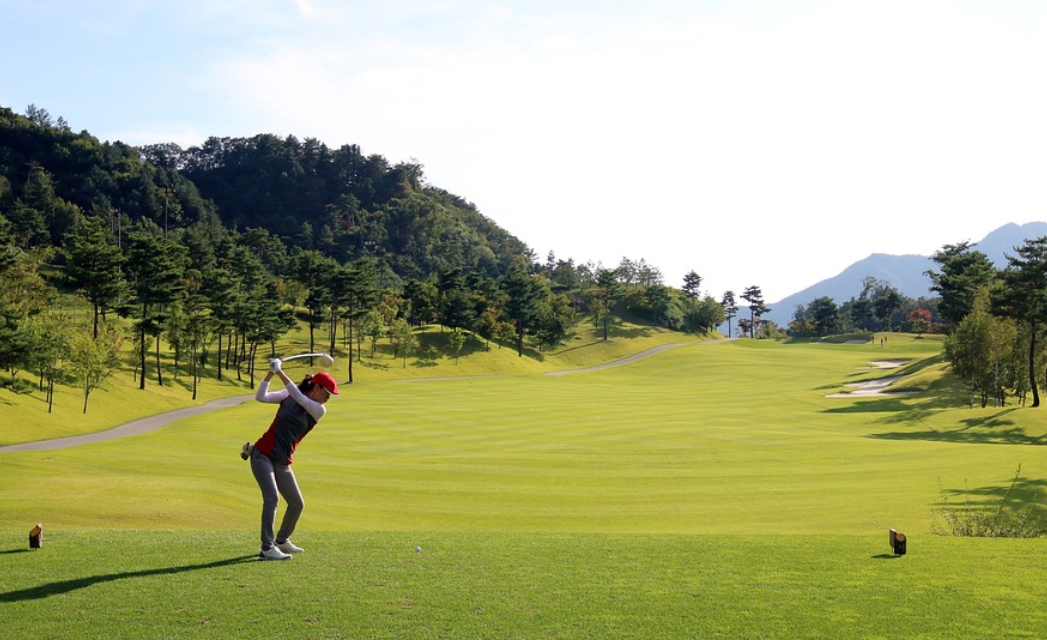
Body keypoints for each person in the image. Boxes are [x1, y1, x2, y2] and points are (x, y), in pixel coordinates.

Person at [248, 357, 338, 560]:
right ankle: (267, 547)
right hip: (262, 454)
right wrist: (271, 372)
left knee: (297, 504)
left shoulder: (318, 410)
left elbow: (300, 397)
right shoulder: (290, 394)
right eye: (328, 393)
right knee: (272, 498)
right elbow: (261, 397)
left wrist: (280, 372)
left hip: (282, 462)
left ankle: (282, 541)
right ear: (317, 387)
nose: (329, 398)